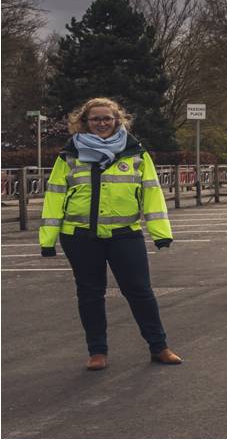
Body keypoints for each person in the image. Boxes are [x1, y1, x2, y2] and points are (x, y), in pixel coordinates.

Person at [39, 98, 182, 370]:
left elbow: (152, 194)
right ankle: (97, 352)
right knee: (90, 294)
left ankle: (159, 346)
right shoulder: (69, 154)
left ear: (118, 120)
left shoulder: (136, 153)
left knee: (140, 291)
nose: (102, 123)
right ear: (84, 122)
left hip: (125, 234)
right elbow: (54, 197)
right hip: (79, 236)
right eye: (95, 119)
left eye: (107, 118)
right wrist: (47, 239)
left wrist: (161, 233)